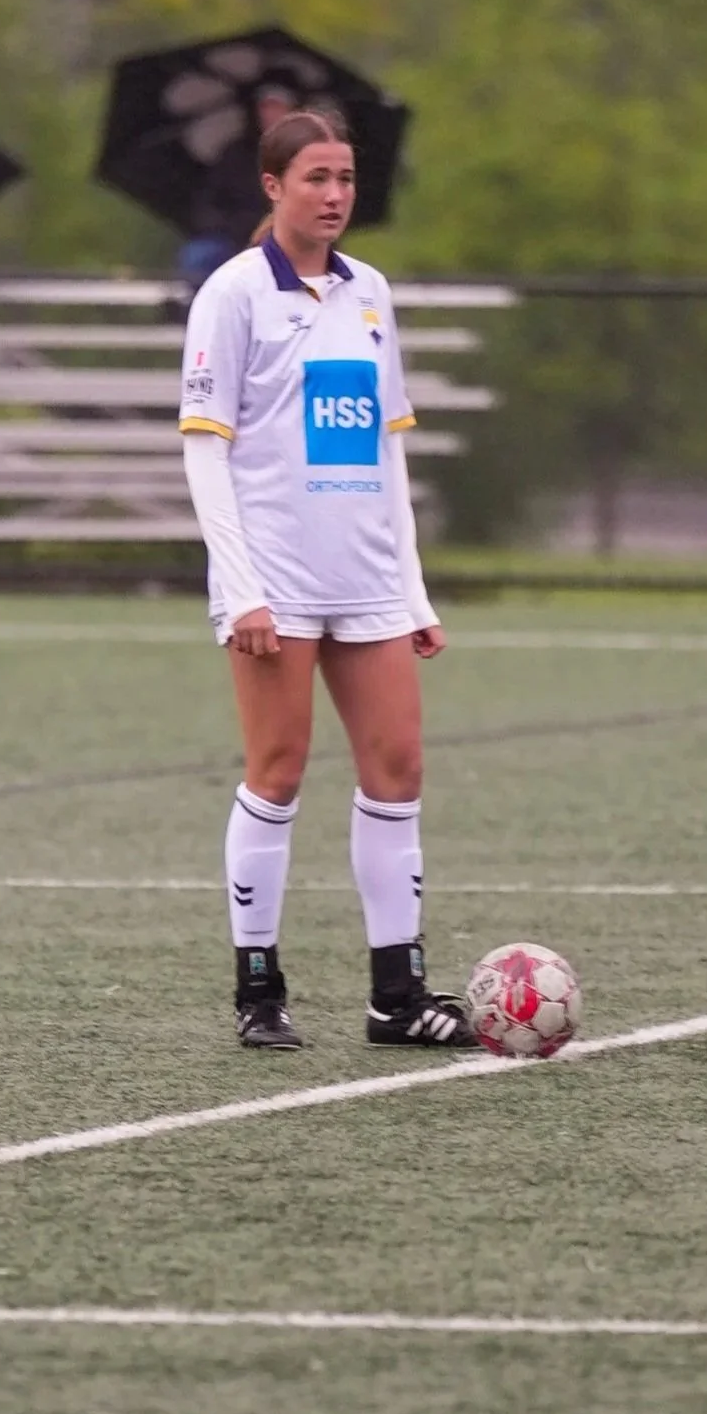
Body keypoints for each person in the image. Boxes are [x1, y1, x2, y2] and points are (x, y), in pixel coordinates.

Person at [179, 106, 476, 1051]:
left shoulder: (371, 293)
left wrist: (414, 592)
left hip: (368, 579)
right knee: (278, 772)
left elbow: (387, 455)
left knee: (398, 771)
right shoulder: (231, 295)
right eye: (315, 177)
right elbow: (202, 455)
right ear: (273, 187)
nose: (335, 194)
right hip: (277, 580)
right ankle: (258, 990)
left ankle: (398, 995)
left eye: (345, 177)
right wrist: (243, 588)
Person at [175, 82, 301, 298]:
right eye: (266, 107)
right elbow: (207, 204)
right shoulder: (234, 154)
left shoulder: (307, 157)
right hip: (232, 237)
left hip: (288, 238)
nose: (272, 114)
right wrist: (234, 226)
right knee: (198, 256)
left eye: (279, 107)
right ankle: (197, 316)